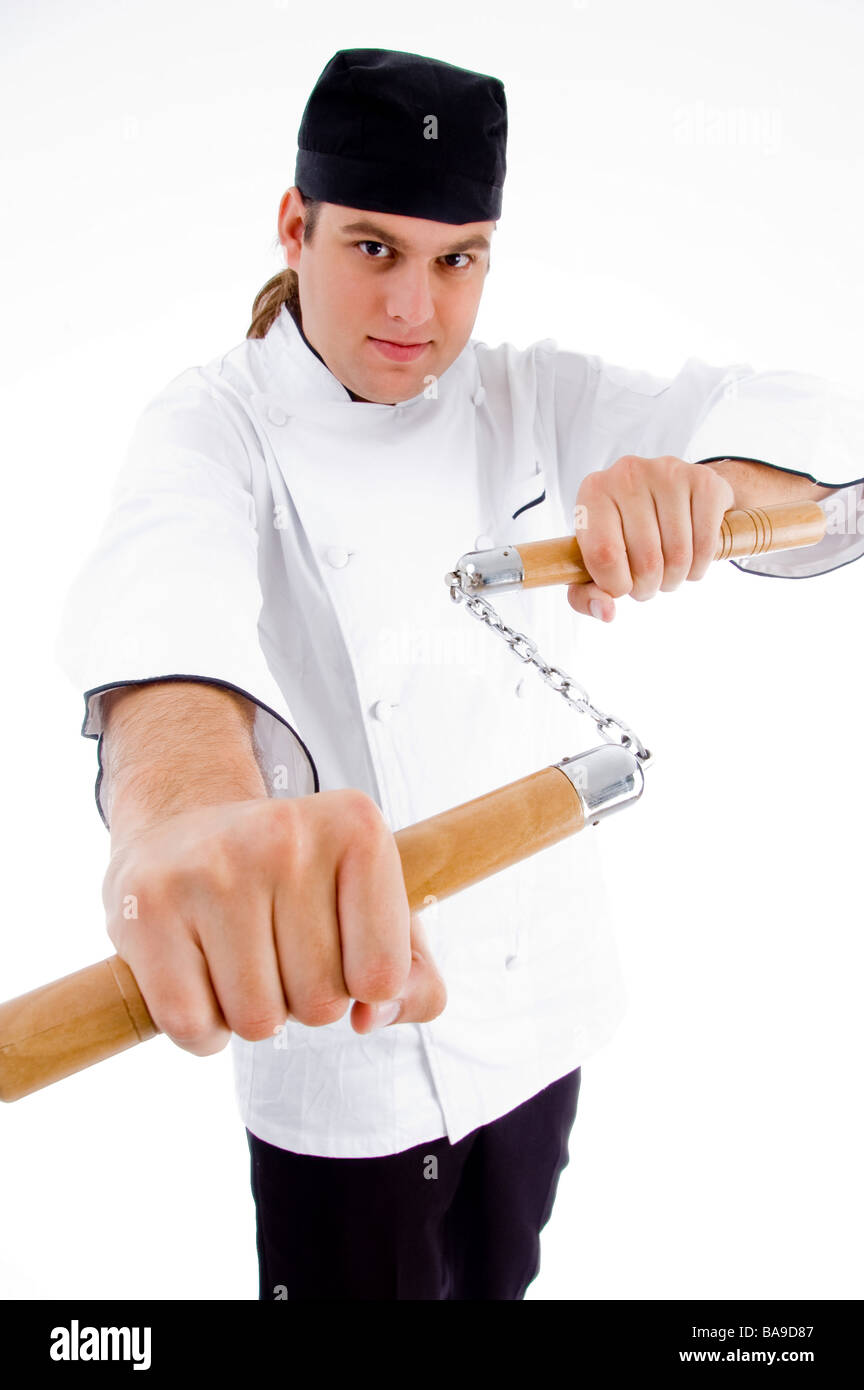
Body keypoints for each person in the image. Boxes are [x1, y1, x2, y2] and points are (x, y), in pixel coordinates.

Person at [55, 47, 864, 1301]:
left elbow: (812, 432)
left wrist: (708, 492)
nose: (415, 312)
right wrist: (186, 807)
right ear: (295, 225)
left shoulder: (532, 397)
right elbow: (162, 604)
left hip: (541, 1006)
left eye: (458, 258)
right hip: (348, 1036)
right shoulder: (211, 424)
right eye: (374, 248)